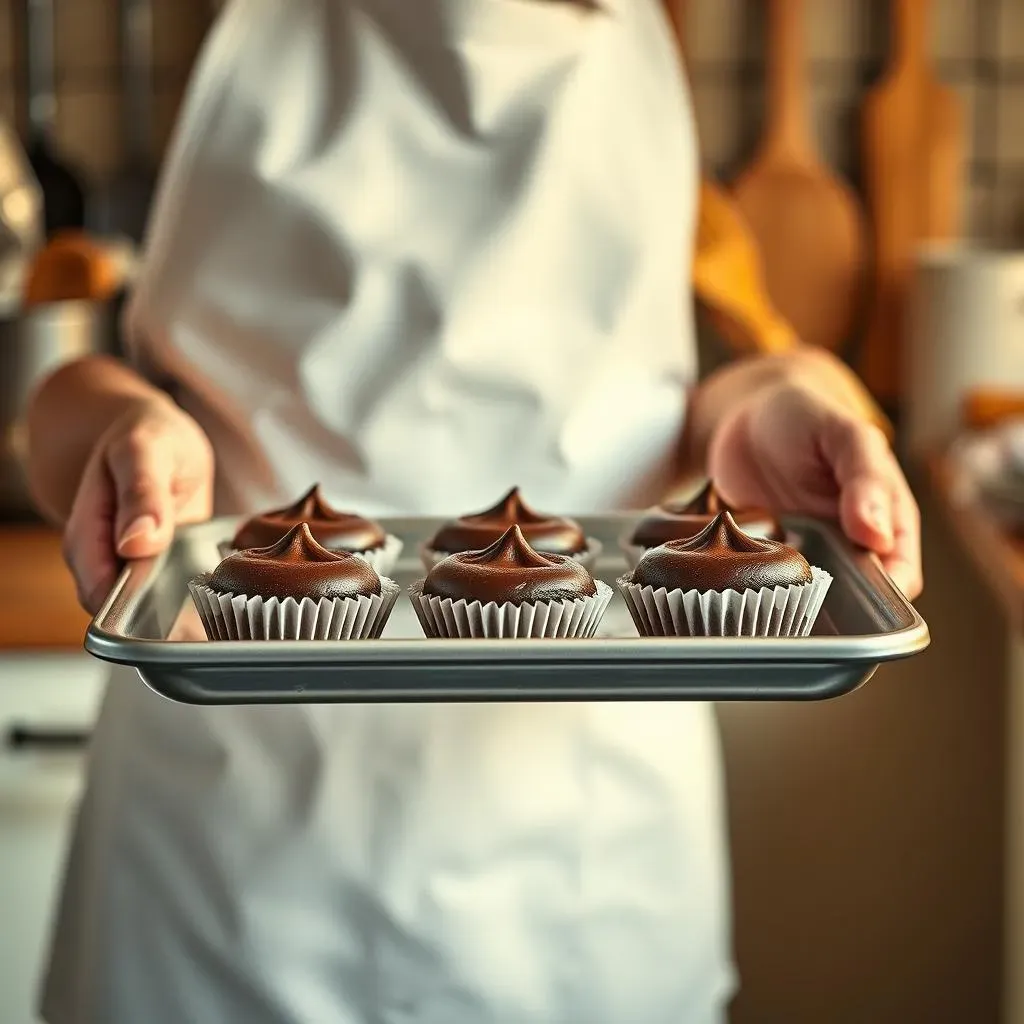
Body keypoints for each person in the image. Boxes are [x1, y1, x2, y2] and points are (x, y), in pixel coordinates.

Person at [26, 1, 922, 1021]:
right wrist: (123, 435)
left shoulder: (639, 43)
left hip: (587, 867)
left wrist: (777, 401)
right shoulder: (258, 32)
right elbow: (71, 407)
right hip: (227, 864)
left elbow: (710, 379)